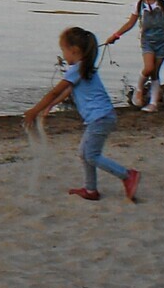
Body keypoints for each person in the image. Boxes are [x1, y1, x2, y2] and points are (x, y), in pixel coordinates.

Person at [24, 26, 141, 202]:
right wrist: (50, 106)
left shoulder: (77, 69)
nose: (63, 55)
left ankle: (127, 175)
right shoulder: (84, 68)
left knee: (91, 155)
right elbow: (67, 91)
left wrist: (34, 110)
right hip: (101, 118)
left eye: (63, 50)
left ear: (74, 50)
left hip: (100, 118)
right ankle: (90, 189)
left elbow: (55, 92)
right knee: (84, 153)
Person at [104, 0, 164, 111]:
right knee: (149, 68)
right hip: (147, 42)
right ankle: (138, 90)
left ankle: (153, 104)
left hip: (163, 42)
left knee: (155, 72)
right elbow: (130, 24)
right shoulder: (139, 5)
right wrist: (115, 36)